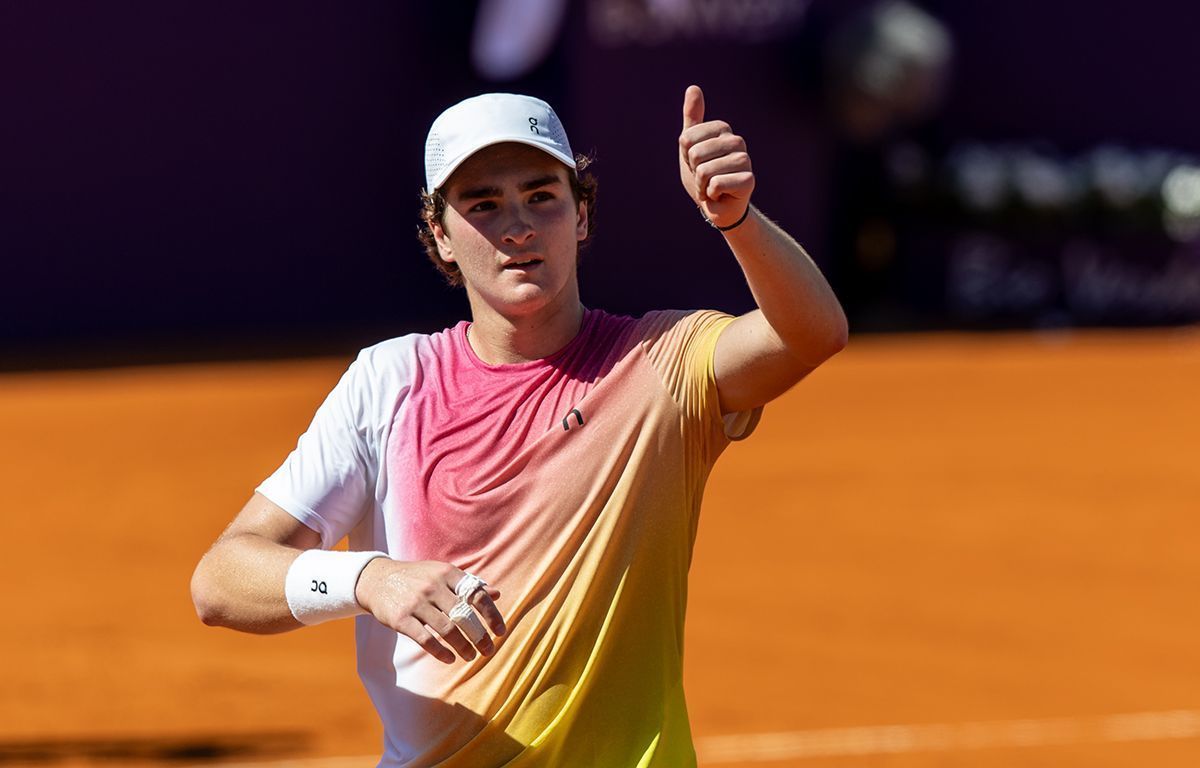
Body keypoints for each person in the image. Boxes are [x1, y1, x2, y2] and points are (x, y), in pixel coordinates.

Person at [191, 86, 847, 767]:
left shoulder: (663, 363)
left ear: (582, 216)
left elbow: (813, 334)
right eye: (483, 205)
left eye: (542, 197)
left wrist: (737, 221)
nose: (518, 227)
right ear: (440, 236)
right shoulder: (388, 385)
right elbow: (220, 582)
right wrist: (372, 580)